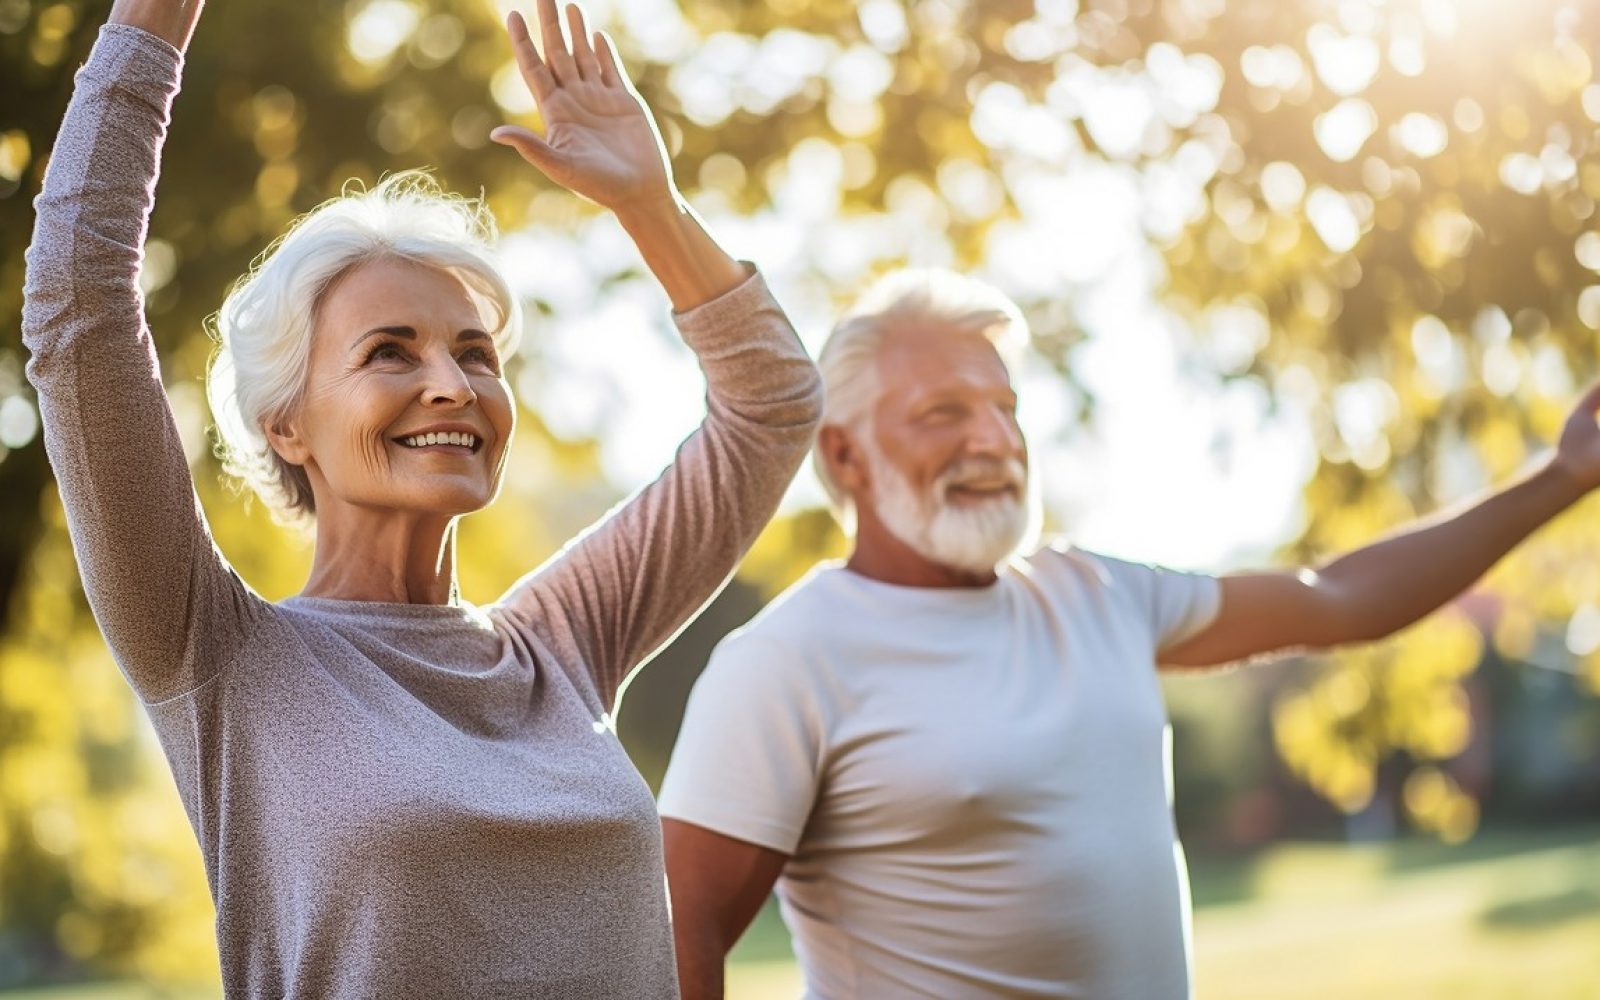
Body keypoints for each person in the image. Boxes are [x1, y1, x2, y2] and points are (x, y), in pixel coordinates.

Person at [20, 0, 821, 994]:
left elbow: (772, 411)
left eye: (474, 353)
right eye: (389, 351)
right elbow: (77, 303)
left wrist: (649, 205)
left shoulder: (559, 646)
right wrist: (153, 19)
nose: (452, 383)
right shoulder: (218, 654)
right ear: (286, 423)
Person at [657, 268, 1600, 999]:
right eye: (944, 411)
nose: (993, 440)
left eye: (1007, 408)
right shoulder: (785, 663)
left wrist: (1562, 475)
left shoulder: (1096, 592)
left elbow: (1339, 597)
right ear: (843, 453)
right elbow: (673, 933)